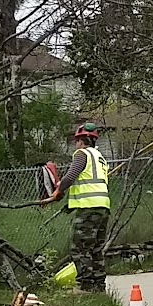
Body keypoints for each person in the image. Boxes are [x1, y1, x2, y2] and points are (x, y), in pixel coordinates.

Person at [41, 122, 111, 293]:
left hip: (88, 207)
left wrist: (57, 190)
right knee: (96, 248)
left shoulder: (81, 154)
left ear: (82, 141)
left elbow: (71, 176)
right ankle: (98, 285)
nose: (75, 144)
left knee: (80, 248)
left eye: (76, 141)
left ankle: (85, 286)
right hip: (103, 207)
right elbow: (85, 181)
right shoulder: (100, 158)